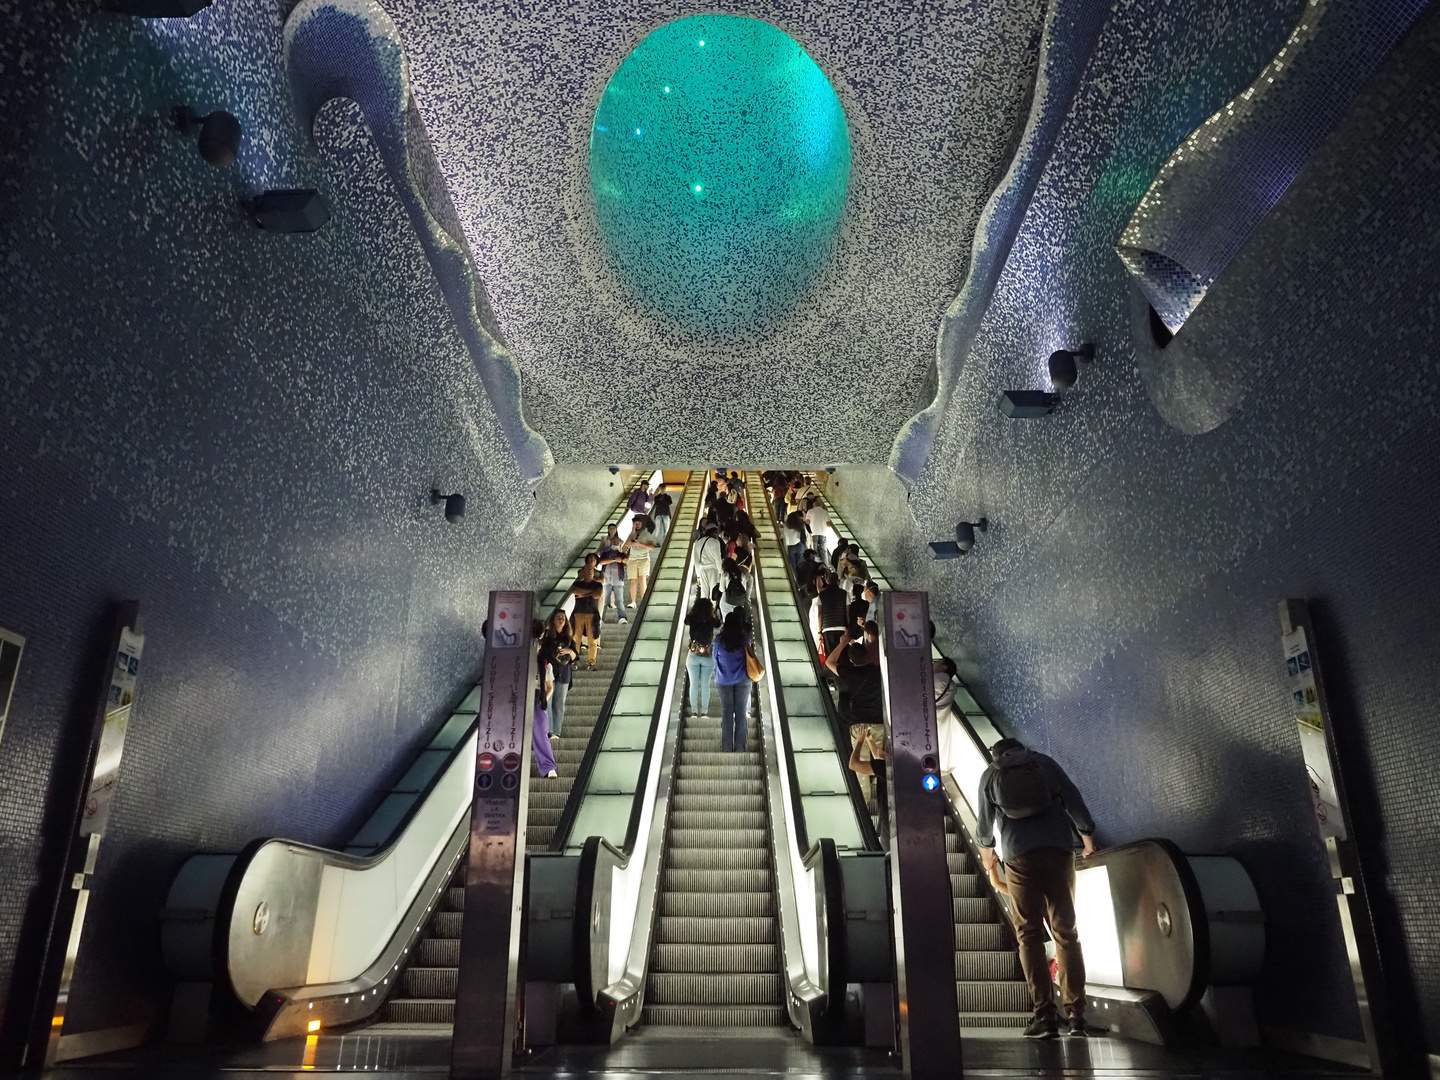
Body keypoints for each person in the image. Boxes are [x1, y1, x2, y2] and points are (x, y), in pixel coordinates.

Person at [975, 737, 1097, 1040]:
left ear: (997, 756)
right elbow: (1073, 797)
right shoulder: (1043, 762)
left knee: (1028, 934)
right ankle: (1077, 1016)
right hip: (1058, 850)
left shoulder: (991, 773)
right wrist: (1087, 835)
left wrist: (988, 853)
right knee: (1066, 932)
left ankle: (1045, 1017)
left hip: (1019, 857)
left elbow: (984, 827)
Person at [825, 628, 885, 729]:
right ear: (866, 655)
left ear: (851, 660)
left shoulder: (850, 674)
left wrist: (842, 643)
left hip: (860, 722)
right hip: (879, 719)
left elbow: (829, 662)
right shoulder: (878, 670)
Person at [712, 611, 752, 752]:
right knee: (741, 712)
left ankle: (727, 748)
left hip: (724, 680)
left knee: (727, 712)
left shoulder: (719, 640)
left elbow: (714, 659)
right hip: (743, 679)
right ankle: (740, 748)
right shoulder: (745, 639)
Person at [847, 727, 889, 842]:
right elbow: (878, 758)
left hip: (888, 829)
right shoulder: (893, 767)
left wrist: (859, 742)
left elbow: (853, 764)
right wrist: (869, 740)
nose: (879, 748)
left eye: (881, 747)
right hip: (888, 825)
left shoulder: (885, 768)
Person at [540, 609, 578, 737]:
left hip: (563, 674)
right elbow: (543, 654)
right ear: (553, 621)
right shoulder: (547, 638)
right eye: (558, 618)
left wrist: (569, 651)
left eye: (563, 618)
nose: (561, 620)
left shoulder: (569, 638)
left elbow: (575, 657)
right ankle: (549, 731)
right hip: (549, 673)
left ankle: (556, 731)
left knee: (559, 703)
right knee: (548, 702)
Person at [684, 597, 723, 718]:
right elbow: (719, 624)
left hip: (693, 654)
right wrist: (714, 613)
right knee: (705, 684)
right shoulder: (711, 619)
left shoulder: (692, 618)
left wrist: (692, 610)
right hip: (707, 655)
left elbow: (686, 620)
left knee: (694, 684)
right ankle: (704, 712)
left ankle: (694, 712)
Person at [531, 621, 558, 778]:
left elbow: (550, 687)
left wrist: (543, 700)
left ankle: (548, 767)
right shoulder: (519, 661)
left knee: (541, 732)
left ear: (540, 647)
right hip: (517, 696)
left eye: (537, 645)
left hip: (536, 697)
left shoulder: (545, 664)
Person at [571, 557, 603, 669]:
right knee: (576, 638)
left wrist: (583, 595)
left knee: (592, 639)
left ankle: (591, 661)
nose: (589, 572)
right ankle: (575, 660)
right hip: (578, 613)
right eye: (587, 569)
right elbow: (575, 591)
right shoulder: (577, 583)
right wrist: (590, 592)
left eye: (591, 570)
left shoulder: (597, 584)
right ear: (583, 571)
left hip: (592, 613)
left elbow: (597, 594)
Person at [597, 525, 628, 624]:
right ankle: (601, 618)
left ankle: (622, 617)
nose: (615, 543)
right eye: (614, 542)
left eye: (617, 542)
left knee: (619, 601)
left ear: (619, 543)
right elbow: (601, 562)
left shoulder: (622, 553)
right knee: (605, 601)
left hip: (618, 580)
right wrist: (614, 560)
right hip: (606, 580)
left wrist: (623, 559)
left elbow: (626, 561)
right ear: (610, 542)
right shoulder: (605, 553)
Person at [625, 516, 657, 609]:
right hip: (632, 559)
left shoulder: (646, 534)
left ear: (642, 524)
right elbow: (625, 546)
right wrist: (632, 533)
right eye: (635, 523)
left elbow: (651, 547)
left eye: (639, 523)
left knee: (642, 579)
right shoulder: (631, 534)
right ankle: (633, 602)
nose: (637, 525)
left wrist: (639, 544)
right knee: (633, 581)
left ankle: (644, 601)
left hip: (643, 559)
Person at [694, 522, 726, 603]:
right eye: (716, 532)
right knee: (713, 593)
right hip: (713, 569)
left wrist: (698, 576)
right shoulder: (715, 542)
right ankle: (712, 611)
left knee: (704, 593)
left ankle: (703, 612)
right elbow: (717, 559)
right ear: (712, 532)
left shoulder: (698, 542)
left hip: (702, 570)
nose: (717, 534)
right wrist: (721, 572)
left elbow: (696, 560)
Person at [719, 557, 750, 624]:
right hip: (738, 603)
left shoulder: (725, 574)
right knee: (737, 622)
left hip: (726, 601)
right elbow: (743, 590)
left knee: (727, 622)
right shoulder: (742, 575)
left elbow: (721, 589)